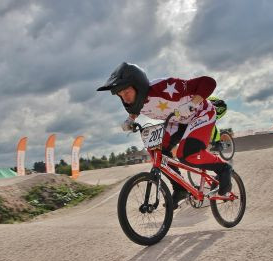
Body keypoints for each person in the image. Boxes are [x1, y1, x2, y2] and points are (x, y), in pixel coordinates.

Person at [97, 62, 232, 209]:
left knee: (187, 154)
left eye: (127, 93)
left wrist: (193, 103)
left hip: (200, 113)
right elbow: (139, 108)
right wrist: (131, 119)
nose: (125, 99)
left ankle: (223, 168)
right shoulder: (137, 101)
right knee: (156, 151)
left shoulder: (165, 88)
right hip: (178, 121)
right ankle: (180, 189)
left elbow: (209, 82)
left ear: (138, 86)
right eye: (120, 96)